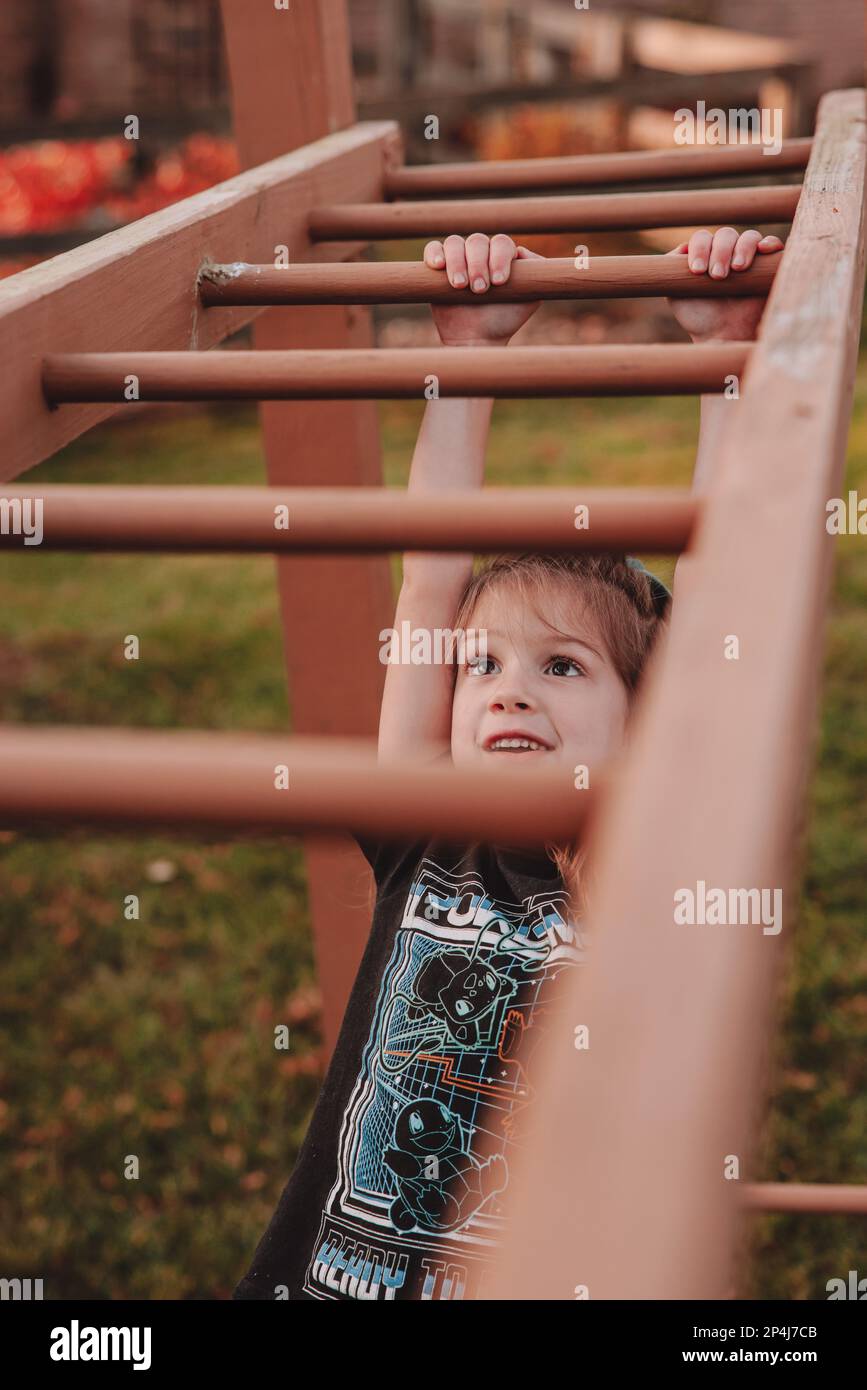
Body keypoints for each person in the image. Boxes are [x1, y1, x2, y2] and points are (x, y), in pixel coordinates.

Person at [233, 225, 784, 1301]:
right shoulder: (429, 819)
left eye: (565, 667)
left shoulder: (646, 861)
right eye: (483, 664)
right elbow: (427, 586)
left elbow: (713, 588)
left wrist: (724, 354)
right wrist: (466, 354)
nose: (510, 687)